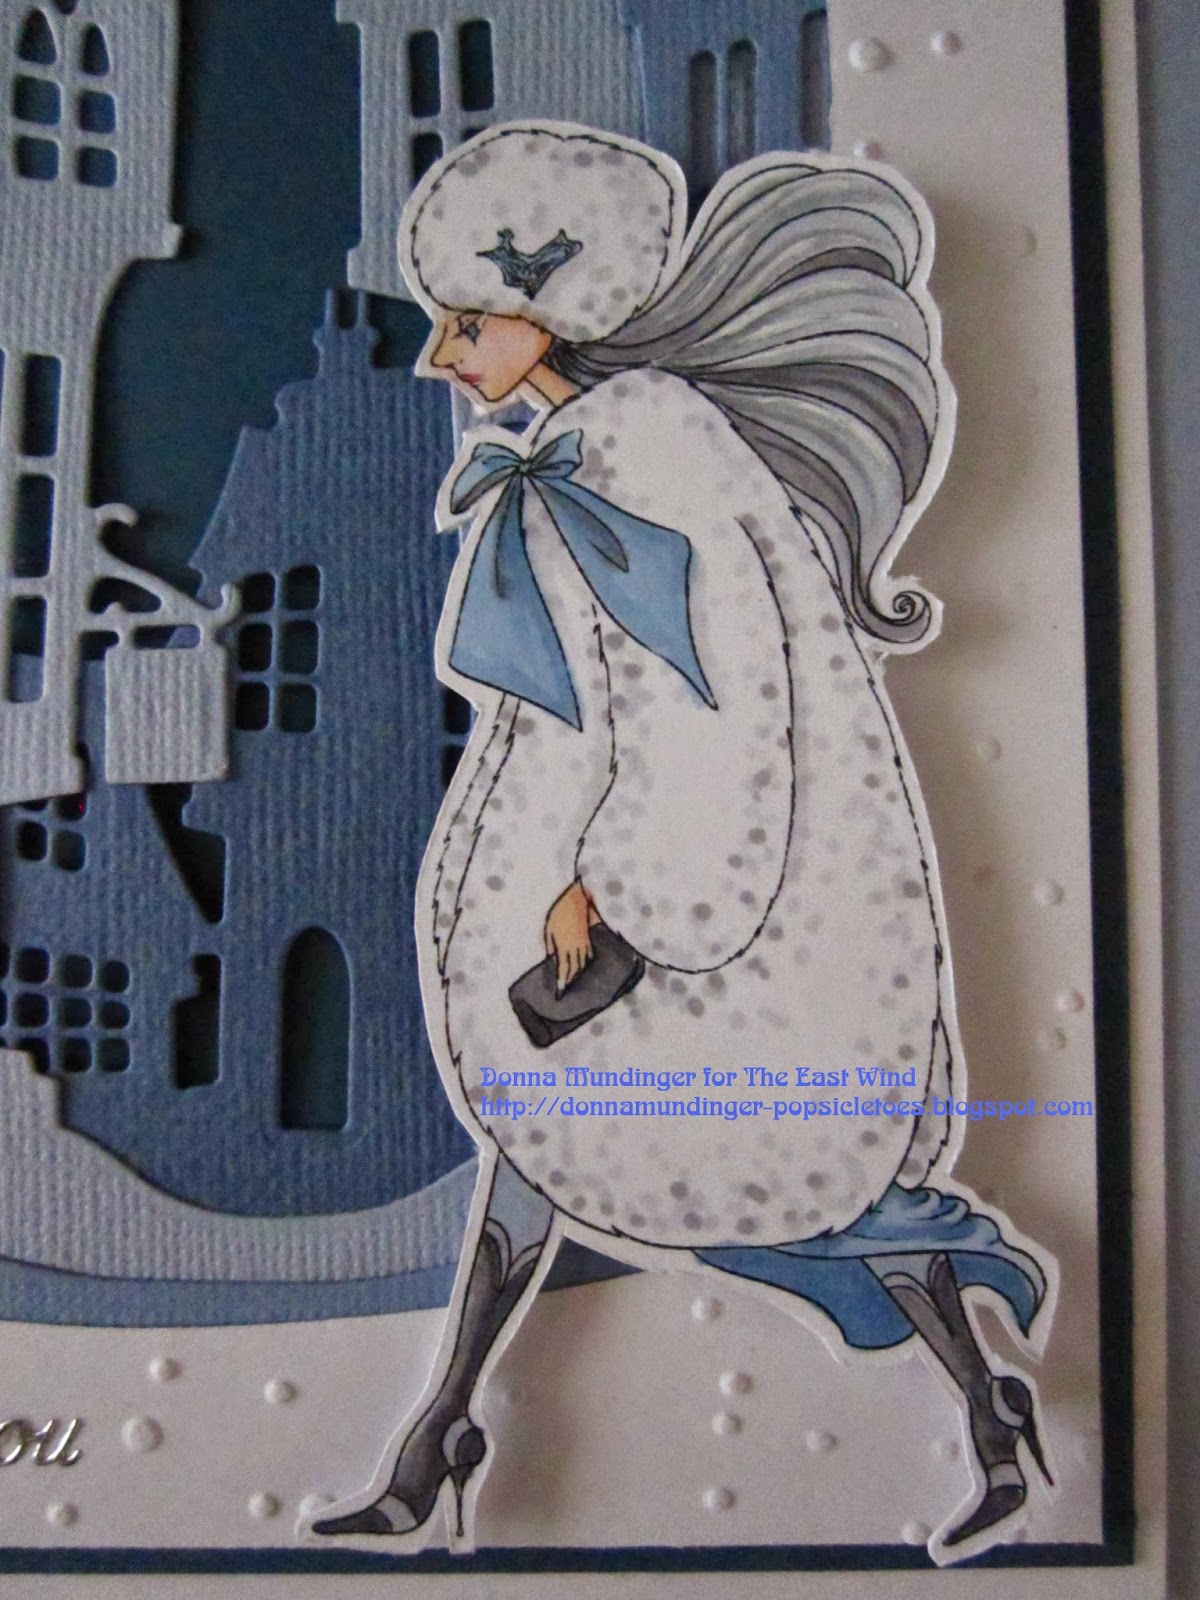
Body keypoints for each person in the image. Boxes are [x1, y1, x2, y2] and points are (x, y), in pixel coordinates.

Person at [312, 121, 1056, 1563]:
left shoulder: (652, 449)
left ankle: (983, 1406)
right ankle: (442, 1433)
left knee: (756, 1155)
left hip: (702, 888)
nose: (438, 357)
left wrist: (621, 892)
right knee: (546, 1127)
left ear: (547, 315)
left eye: (465, 324)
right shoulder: (588, 443)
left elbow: (718, 688)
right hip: (578, 842)